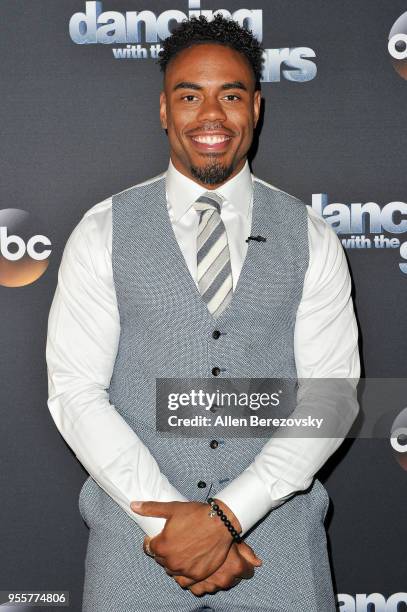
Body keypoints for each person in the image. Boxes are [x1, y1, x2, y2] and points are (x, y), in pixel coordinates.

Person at [46, 14, 360, 612]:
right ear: (165, 109)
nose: (210, 116)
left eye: (231, 95)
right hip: (136, 542)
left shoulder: (311, 236)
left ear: (257, 107)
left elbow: (332, 395)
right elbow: (75, 391)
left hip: (279, 543)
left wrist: (227, 516)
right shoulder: (102, 230)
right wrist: (171, 528)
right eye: (190, 96)